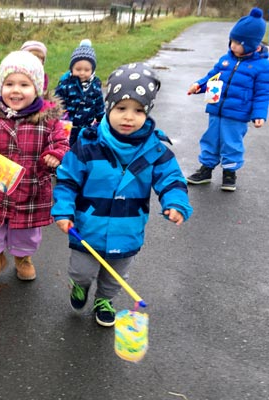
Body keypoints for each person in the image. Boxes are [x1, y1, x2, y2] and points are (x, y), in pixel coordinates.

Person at [52, 63, 193, 327]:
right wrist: (63, 210)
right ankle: (80, 286)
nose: (129, 117)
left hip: (128, 228)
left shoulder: (154, 150)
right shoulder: (88, 144)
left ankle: (104, 301)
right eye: (121, 108)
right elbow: (67, 179)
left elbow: (171, 179)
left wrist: (175, 201)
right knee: (82, 270)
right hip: (87, 227)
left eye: (138, 110)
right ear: (109, 108)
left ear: (148, 112)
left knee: (115, 276)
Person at [0, 51, 70, 284]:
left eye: (24, 84)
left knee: (26, 233)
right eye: (9, 83)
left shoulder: (49, 121)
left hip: (31, 191)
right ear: (1, 86)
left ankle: (23, 258)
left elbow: (62, 143)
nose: (16, 90)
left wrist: (55, 155)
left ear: (38, 89)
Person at [186, 7, 269, 192]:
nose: (233, 46)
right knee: (211, 139)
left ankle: (229, 173)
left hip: (238, 114)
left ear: (253, 45)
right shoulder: (226, 59)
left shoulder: (263, 66)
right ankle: (206, 170)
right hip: (216, 109)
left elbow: (263, 93)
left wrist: (259, 114)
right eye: (232, 41)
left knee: (231, 142)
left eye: (238, 43)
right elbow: (212, 77)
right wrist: (198, 86)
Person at [54, 39, 105, 147]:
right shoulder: (66, 84)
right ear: (71, 69)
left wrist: (101, 120)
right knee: (67, 147)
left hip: (87, 126)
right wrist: (60, 116)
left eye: (86, 70)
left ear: (92, 70)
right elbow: (57, 101)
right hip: (68, 125)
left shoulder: (95, 85)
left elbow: (99, 104)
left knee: (85, 148)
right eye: (78, 69)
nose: (82, 73)